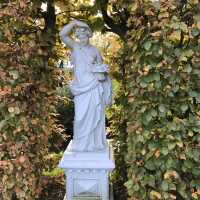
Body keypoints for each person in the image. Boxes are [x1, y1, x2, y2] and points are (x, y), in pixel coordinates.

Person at [60, 19, 112, 152]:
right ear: (76, 37)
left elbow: (102, 69)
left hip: (93, 85)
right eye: (79, 35)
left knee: (95, 114)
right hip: (80, 88)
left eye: (84, 35)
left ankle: (94, 143)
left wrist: (102, 73)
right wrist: (74, 23)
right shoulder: (75, 46)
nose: (81, 38)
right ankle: (81, 143)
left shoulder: (95, 50)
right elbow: (63, 35)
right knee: (80, 117)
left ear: (88, 35)